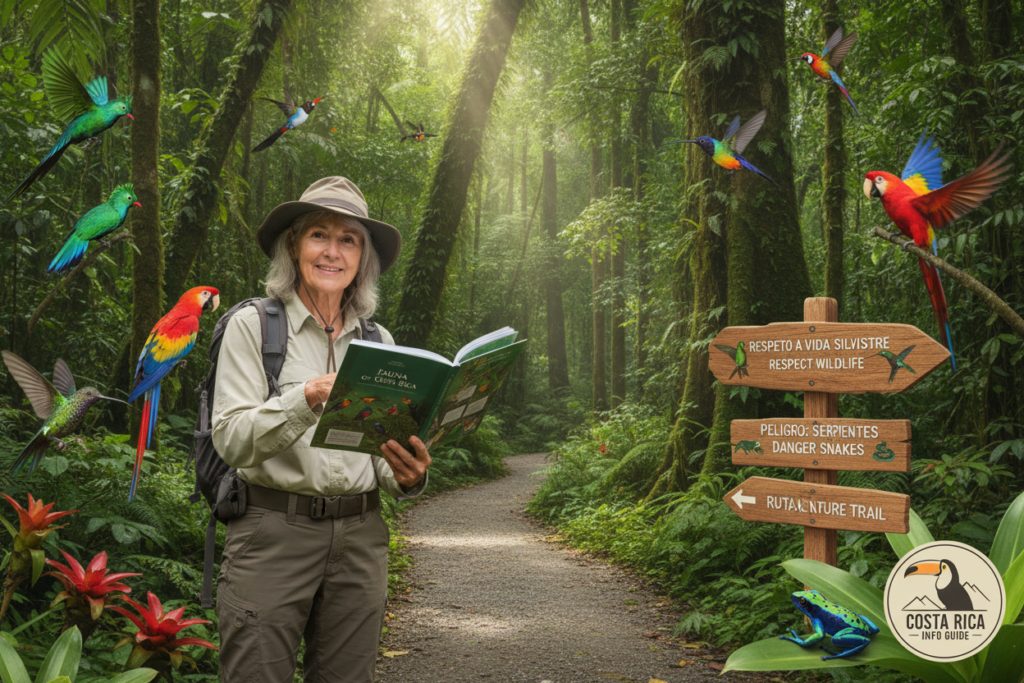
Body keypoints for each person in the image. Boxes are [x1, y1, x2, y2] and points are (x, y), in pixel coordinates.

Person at [210, 176, 431, 682]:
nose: (333, 251)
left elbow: (380, 457)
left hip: (361, 539)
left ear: (363, 258)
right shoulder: (253, 326)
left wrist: (409, 473)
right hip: (272, 532)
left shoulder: (380, 341)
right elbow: (232, 440)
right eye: (319, 235)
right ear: (294, 245)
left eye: (348, 239)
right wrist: (305, 398)